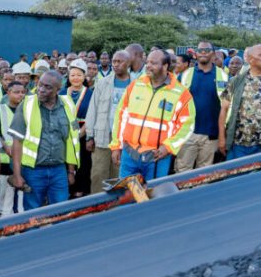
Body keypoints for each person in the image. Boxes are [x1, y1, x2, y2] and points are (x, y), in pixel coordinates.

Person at [111, 50, 195, 180]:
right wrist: (116, 146)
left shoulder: (181, 93)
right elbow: (120, 116)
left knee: (153, 192)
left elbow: (187, 126)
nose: (148, 66)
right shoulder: (135, 85)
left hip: (157, 157)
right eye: (148, 62)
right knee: (125, 191)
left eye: (153, 63)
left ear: (165, 66)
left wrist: (169, 147)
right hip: (129, 154)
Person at [9, 71, 79, 209]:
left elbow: (71, 140)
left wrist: (71, 171)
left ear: (58, 89)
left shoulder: (68, 105)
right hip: (33, 171)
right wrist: (17, 175)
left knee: (61, 212)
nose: (41, 89)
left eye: (48, 87)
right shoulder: (26, 105)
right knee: (33, 214)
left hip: (59, 171)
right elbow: (17, 142)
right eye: (40, 85)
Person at [85, 50, 136, 193]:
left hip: (125, 139)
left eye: (120, 61)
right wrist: (89, 135)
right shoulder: (103, 83)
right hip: (103, 135)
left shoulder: (137, 85)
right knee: (98, 174)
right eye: (114, 61)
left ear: (128, 63)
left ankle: (116, 204)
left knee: (119, 175)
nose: (116, 64)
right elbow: (93, 109)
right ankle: (97, 203)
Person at [174, 42, 227, 173]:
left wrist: (222, 134)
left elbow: (227, 106)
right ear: (196, 54)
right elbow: (175, 102)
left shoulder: (224, 76)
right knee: (182, 171)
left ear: (213, 54)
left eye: (207, 50)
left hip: (211, 135)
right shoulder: (185, 75)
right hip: (187, 133)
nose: (203, 52)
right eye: (200, 50)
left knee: (204, 173)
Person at [0, 81, 26, 217]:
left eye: (22, 92)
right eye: (16, 92)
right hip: (5, 160)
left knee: (22, 191)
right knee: (5, 194)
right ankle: (5, 217)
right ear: (8, 93)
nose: (20, 95)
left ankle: (21, 217)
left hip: (23, 159)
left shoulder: (27, 110)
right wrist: (6, 147)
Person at [66, 59, 93, 197]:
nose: (75, 78)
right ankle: (67, 191)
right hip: (65, 133)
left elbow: (92, 115)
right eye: (72, 75)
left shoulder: (91, 93)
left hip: (84, 132)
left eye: (79, 75)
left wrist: (79, 134)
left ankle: (81, 192)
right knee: (67, 161)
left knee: (83, 162)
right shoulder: (62, 93)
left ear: (84, 76)